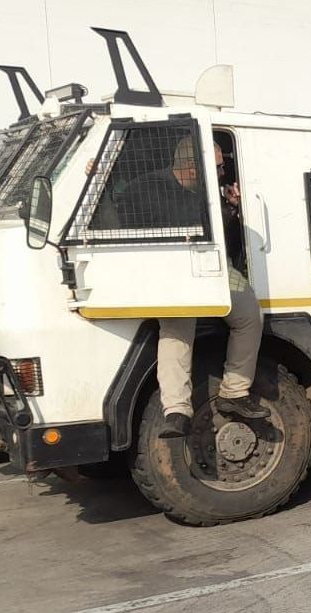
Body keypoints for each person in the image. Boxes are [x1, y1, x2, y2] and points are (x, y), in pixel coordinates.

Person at [115, 136, 267, 438]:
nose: (224, 174)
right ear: (193, 167)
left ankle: (234, 392)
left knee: (250, 313)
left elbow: (221, 238)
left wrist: (232, 209)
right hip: (168, 270)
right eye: (219, 168)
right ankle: (176, 410)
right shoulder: (147, 189)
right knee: (176, 326)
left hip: (211, 266)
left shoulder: (208, 195)